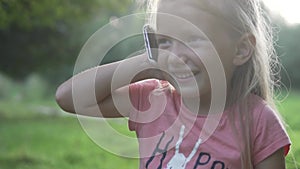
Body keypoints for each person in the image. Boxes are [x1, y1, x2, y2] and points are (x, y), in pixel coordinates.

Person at [55, 0, 291, 168]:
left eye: (192, 39)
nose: (176, 56)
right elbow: (68, 97)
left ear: (240, 49)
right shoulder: (153, 101)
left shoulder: (258, 120)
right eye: (166, 41)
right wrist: (148, 63)